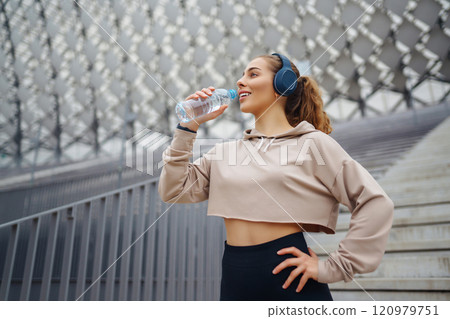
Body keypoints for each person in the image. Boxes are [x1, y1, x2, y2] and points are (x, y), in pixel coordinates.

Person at [158, 53, 395, 301]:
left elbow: (375, 202)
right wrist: (188, 127)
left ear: (283, 83)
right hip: (234, 277)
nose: (240, 81)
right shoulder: (224, 153)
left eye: (253, 74)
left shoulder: (312, 143)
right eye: (241, 75)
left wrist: (335, 266)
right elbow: (173, 190)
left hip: (289, 277)